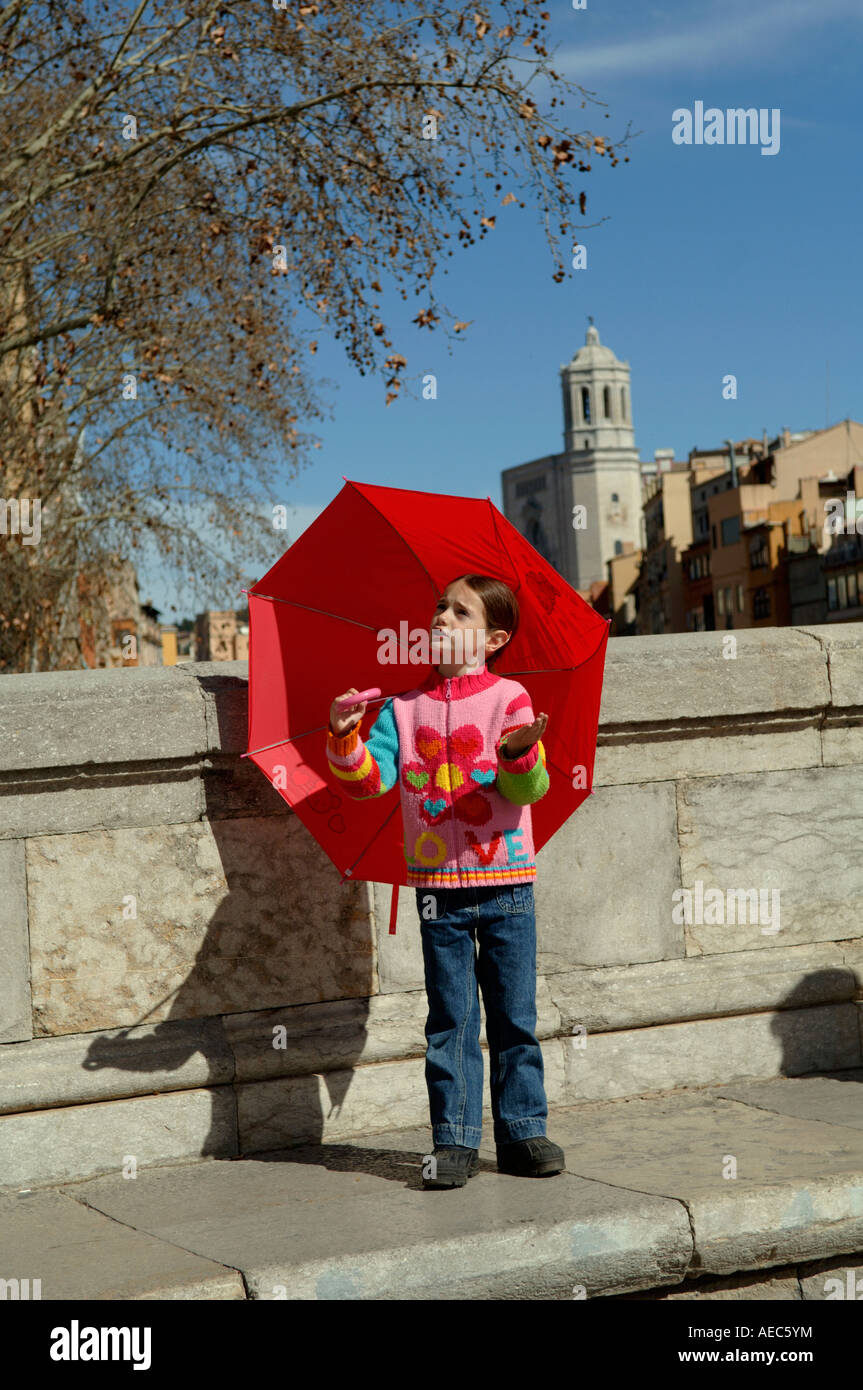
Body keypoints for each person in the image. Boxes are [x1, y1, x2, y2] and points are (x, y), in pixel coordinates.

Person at [326, 574, 565, 1189]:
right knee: (450, 1018)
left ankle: (523, 1131)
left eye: (461, 613)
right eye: (439, 607)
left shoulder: (509, 699)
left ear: (494, 637)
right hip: (437, 889)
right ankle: (454, 1139)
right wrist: (344, 734)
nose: (442, 619)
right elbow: (368, 782)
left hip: (507, 883)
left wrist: (520, 754)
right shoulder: (402, 710)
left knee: (514, 1015)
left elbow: (528, 789)